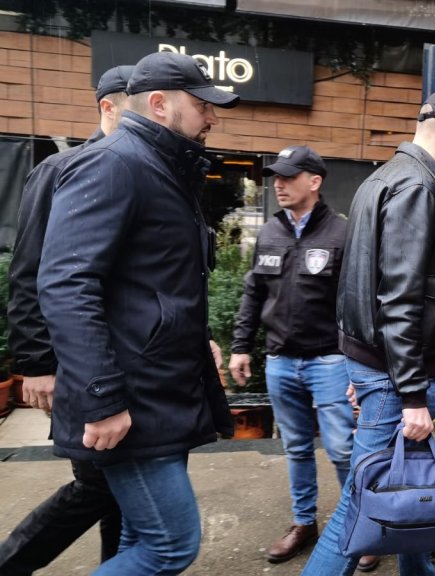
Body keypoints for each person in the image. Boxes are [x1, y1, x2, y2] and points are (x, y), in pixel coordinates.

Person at [35, 51, 238, 575]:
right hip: (133, 397)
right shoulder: (114, 163)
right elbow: (66, 283)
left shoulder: (163, 167)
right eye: (202, 106)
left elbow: (153, 285)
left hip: (158, 392)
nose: (211, 118)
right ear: (160, 104)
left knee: (138, 535)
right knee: (170, 546)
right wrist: (103, 397)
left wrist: (195, 337)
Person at [300, 88, 435, 576]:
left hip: (380, 366)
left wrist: (361, 361)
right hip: (395, 376)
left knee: (412, 489)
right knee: (359, 505)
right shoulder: (418, 187)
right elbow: (401, 297)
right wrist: (409, 394)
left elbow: (359, 284)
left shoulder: (383, 178)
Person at [0, 65, 133, 576]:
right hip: (79, 365)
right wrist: (36, 363)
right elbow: (29, 271)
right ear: (107, 108)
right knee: (96, 484)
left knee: (118, 489)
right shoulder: (62, 168)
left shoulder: (136, 170)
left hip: (122, 362)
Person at [228, 145, 374, 568]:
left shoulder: (342, 234)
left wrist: (361, 362)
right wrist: (241, 346)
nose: (279, 184)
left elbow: (359, 301)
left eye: (288, 176)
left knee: (343, 449)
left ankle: (360, 527)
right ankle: (304, 522)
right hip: (280, 361)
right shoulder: (270, 233)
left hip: (330, 361)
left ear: (315, 181)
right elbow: (254, 293)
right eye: (276, 176)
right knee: (295, 448)